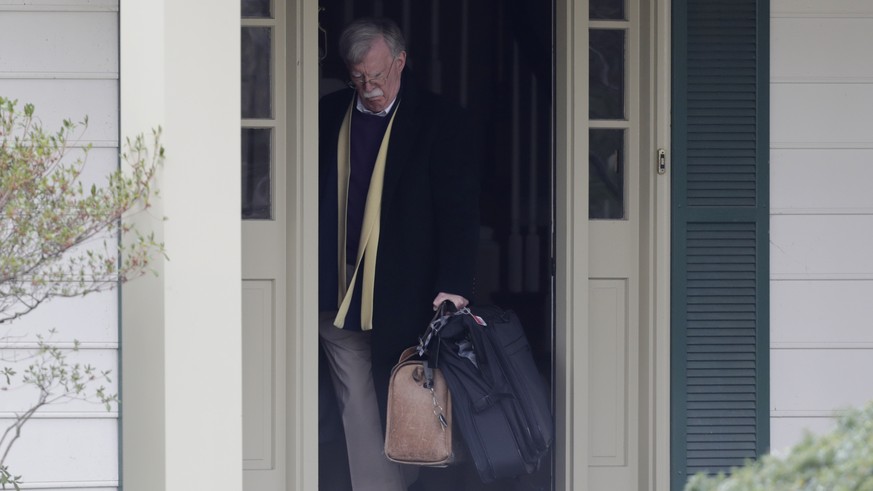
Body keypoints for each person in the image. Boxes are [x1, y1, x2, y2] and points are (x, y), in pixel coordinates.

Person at [318, 16, 481, 491]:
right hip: (335, 284)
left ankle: (412, 478)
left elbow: (459, 209)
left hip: (409, 290)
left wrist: (455, 283)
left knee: (409, 392)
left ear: (401, 62)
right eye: (359, 77)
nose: (369, 87)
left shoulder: (440, 120)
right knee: (359, 403)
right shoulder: (327, 113)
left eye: (379, 75)